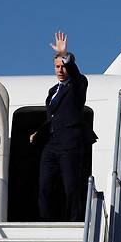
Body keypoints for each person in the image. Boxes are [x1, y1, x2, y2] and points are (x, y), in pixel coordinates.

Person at [30, 31, 90, 222]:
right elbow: (54, 117)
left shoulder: (78, 85)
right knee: (45, 186)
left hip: (70, 144)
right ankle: (47, 221)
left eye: (62, 66)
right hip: (52, 144)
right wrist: (39, 132)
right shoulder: (52, 91)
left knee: (71, 186)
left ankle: (75, 222)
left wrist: (65, 56)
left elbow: (75, 72)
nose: (60, 70)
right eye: (57, 66)